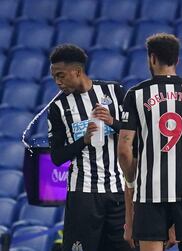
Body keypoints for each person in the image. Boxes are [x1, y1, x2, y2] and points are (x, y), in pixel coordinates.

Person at [117, 33, 182, 251]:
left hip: (149, 193)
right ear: (177, 60)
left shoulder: (136, 94)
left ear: (152, 59)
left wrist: (136, 177)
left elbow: (124, 151)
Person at [47, 44, 132, 251]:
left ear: (77, 71)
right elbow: (57, 157)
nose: (58, 82)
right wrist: (83, 140)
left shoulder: (115, 91)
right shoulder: (58, 108)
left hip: (118, 191)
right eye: (54, 77)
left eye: (61, 76)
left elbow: (136, 135)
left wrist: (113, 122)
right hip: (83, 193)